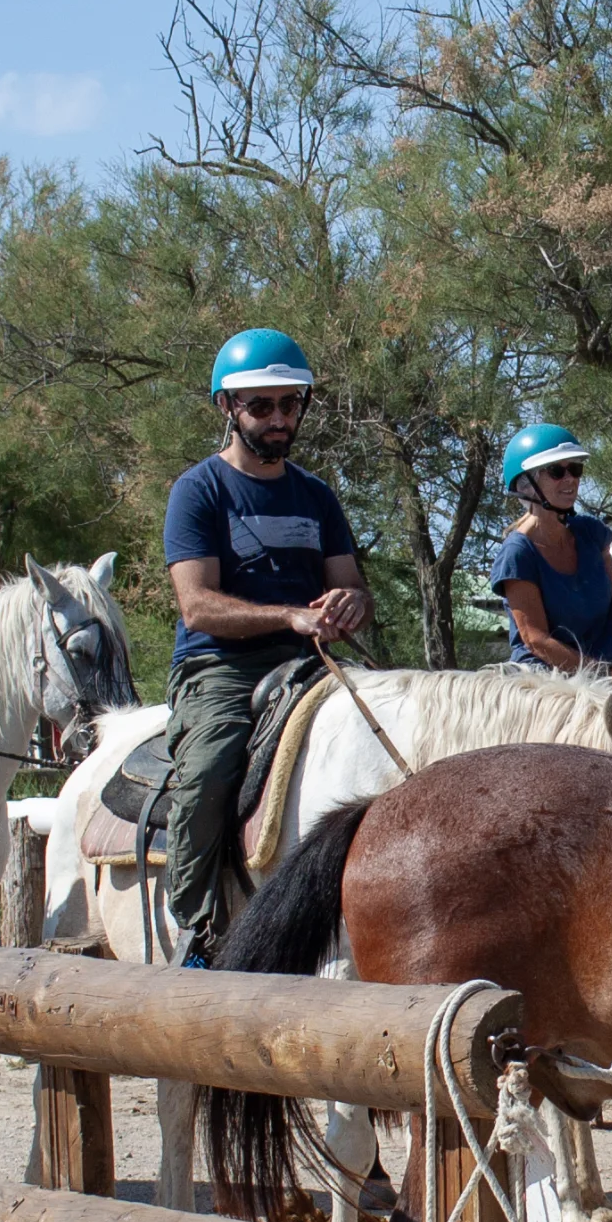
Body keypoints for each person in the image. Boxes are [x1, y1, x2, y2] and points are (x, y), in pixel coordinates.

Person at [162, 328, 370, 968]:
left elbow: (354, 589)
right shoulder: (199, 491)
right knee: (207, 770)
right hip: (219, 666)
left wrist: (347, 606)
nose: (279, 420)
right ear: (227, 407)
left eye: (290, 405)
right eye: (262, 406)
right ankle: (194, 928)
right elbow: (197, 603)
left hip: (311, 663)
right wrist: (289, 615)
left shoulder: (316, 495)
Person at [493, 422, 612, 695]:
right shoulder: (517, 553)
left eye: (576, 469)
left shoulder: (591, 533)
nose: (570, 479)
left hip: (605, 679)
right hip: (543, 685)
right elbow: (536, 640)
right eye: (557, 471)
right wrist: (607, 672)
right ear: (526, 484)